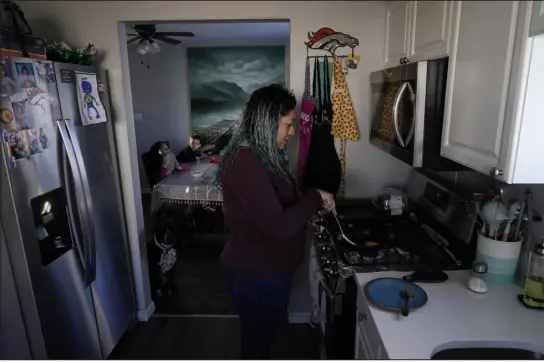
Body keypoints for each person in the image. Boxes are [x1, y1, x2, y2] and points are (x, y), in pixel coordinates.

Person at [216, 84, 335, 359]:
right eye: (288, 124)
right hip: (256, 276)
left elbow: (273, 211)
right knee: (258, 346)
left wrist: (303, 215)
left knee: (262, 340)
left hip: (267, 273)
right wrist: (316, 196)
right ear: (268, 121)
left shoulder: (262, 157)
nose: (291, 133)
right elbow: (278, 227)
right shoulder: (246, 162)